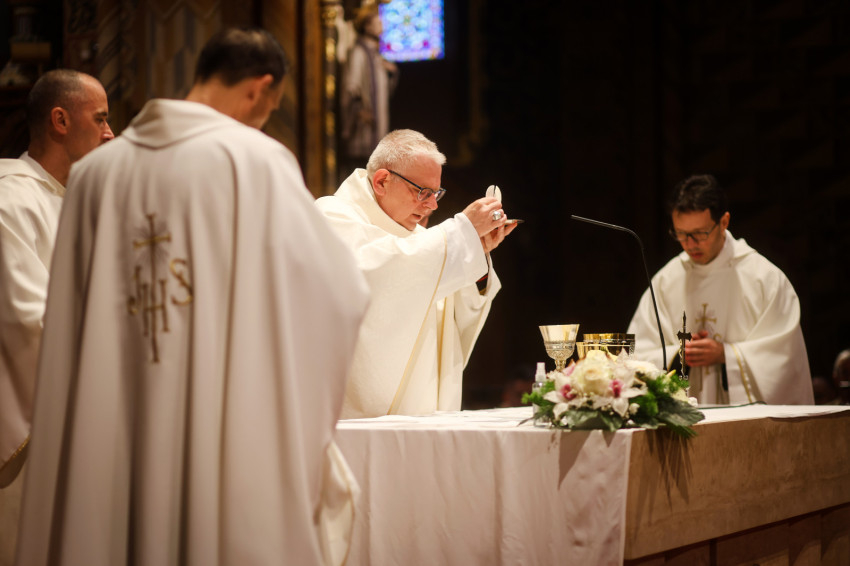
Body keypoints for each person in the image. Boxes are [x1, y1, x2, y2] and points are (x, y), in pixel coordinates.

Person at [15, 28, 369, 566]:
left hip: (112, 426)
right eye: (269, 108)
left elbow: (68, 325)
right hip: (220, 422)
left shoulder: (94, 176)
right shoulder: (256, 161)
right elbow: (339, 294)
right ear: (260, 88)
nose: (262, 120)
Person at [316, 129, 516, 418]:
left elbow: (455, 315)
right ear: (382, 181)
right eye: (422, 191)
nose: (432, 205)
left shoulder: (425, 242)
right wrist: (461, 235)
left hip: (425, 416)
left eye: (436, 193)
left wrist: (476, 254)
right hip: (356, 424)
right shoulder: (331, 217)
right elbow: (377, 278)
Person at [0, 69, 113, 564]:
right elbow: (27, 321)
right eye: (101, 119)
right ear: (61, 120)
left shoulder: (81, 201)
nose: (111, 133)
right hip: (35, 431)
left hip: (85, 417)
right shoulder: (10, 200)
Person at [628, 174, 813, 405]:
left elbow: (784, 357)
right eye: (681, 234)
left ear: (724, 222)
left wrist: (726, 354)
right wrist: (679, 353)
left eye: (700, 233)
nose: (690, 244)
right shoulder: (666, 281)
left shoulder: (765, 278)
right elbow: (636, 355)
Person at [339, 4, 398, 177]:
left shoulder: (375, 55)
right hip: (363, 125)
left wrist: (390, 74)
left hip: (377, 124)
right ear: (366, 26)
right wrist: (359, 111)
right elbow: (351, 87)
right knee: (360, 171)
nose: (381, 25)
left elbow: (384, 92)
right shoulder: (358, 53)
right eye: (377, 22)